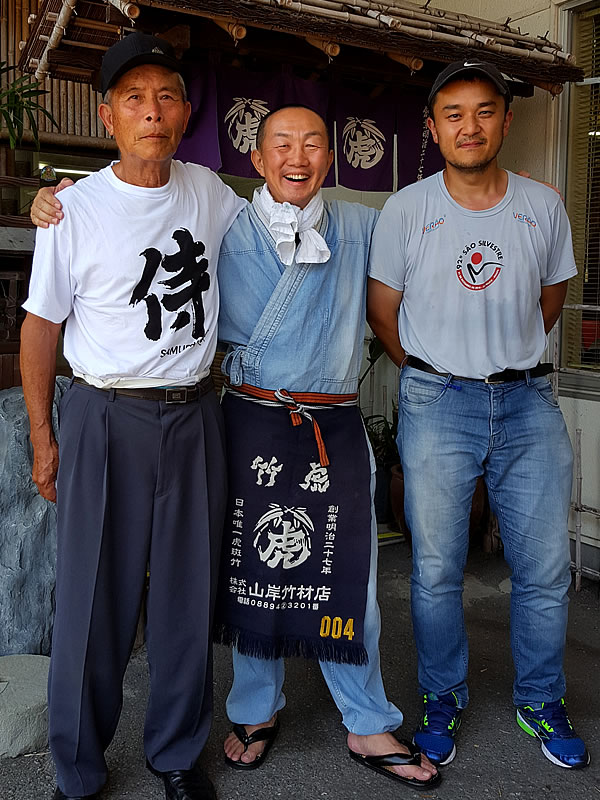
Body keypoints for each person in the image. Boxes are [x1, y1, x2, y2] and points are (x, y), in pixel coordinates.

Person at [31, 104, 440, 791]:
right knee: (250, 575)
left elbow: (417, 263)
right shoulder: (227, 220)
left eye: (313, 142)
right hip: (243, 418)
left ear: (331, 158)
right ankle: (253, 711)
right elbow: (137, 220)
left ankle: (367, 718)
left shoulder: (361, 226)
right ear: (256, 158)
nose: (298, 157)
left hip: (330, 424)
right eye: (282, 142)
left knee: (349, 578)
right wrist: (54, 198)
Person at [21, 32, 245, 800]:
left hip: (193, 414)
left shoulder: (213, 193)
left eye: (166, 97)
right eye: (133, 99)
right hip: (103, 415)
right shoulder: (71, 209)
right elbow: (40, 326)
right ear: (110, 115)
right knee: (92, 594)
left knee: (190, 590)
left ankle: (178, 754)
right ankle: (78, 767)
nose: (151, 111)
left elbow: (271, 243)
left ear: (185, 113)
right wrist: (43, 436)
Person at [367, 59, 590, 771]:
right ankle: (442, 696)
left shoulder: (542, 205)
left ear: (505, 119)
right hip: (437, 402)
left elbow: (549, 299)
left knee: (545, 566)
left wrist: (506, 356)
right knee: (436, 568)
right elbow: (384, 311)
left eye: (484, 110)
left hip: (528, 402)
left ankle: (540, 698)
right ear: (433, 128)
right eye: (454, 114)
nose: (470, 125)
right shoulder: (406, 208)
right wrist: (434, 369)